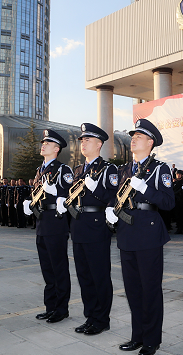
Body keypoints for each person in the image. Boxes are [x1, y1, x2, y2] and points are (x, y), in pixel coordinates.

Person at [105, 119, 175, 355]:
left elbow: (168, 202)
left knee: (150, 289)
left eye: (139, 136)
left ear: (150, 142)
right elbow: (117, 197)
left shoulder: (159, 169)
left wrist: (146, 189)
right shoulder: (124, 169)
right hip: (126, 235)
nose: (133, 138)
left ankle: (152, 340)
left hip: (148, 235)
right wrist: (111, 210)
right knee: (133, 290)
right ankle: (137, 336)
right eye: (132, 135)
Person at [68, 123, 118, 336]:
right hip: (78, 226)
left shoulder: (109, 169)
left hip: (97, 228)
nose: (83, 143)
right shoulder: (78, 170)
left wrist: (96, 189)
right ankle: (90, 316)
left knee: (99, 275)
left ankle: (101, 319)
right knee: (84, 276)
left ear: (98, 144)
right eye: (82, 140)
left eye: (87, 140)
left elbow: (114, 198)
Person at [31, 129, 74, 324]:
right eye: (43, 143)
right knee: (47, 269)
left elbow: (68, 194)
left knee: (58, 268)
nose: (43, 145)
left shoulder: (63, 170)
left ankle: (61, 309)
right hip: (42, 222)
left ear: (56, 149)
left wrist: (55, 192)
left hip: (56, 222)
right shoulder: (40, 170)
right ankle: (50, 307)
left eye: (47, 144)